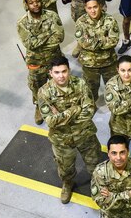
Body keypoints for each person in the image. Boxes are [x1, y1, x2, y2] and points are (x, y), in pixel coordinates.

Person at [37, 56, 103, 204]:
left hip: (85, 134)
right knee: (65, 168)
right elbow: (50, 121)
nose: (61, 76)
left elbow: (89, 111)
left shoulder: (80, 84)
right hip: (62, 140)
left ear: (69, 70)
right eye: (57, 72)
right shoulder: (44, 92)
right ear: (50, 73)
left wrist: (62, 116)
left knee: (95, 162)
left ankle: (99, 183)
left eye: (64, 71)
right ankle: (67, 184)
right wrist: (76, 109)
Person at [17, 0, 64, 125]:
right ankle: (39, 106)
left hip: (54, 59)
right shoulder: (22, 23)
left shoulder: (52, 16)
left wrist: (38, 39)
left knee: (58, 83)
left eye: (37, 1)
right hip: (35, 62)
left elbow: (59, 37)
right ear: (26, 5)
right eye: (31, 3)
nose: (35, 5)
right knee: (37, 86)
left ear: (41, 0)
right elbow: (30, 44)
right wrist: (48, 34)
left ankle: (58, 103)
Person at [75, 0, 119, 101]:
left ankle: (115, 107)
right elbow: (82, 43)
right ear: (85, 8)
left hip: (108, 62)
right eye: (89, 8)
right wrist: (103, 40)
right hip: (90, 64)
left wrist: (92, 41)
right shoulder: (81, 22)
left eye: (95, 7)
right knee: (90, 90)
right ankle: (91, 106)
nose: (93, 11)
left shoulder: (110, 20)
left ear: (100, 6)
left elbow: (113, 41)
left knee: (114, 88)